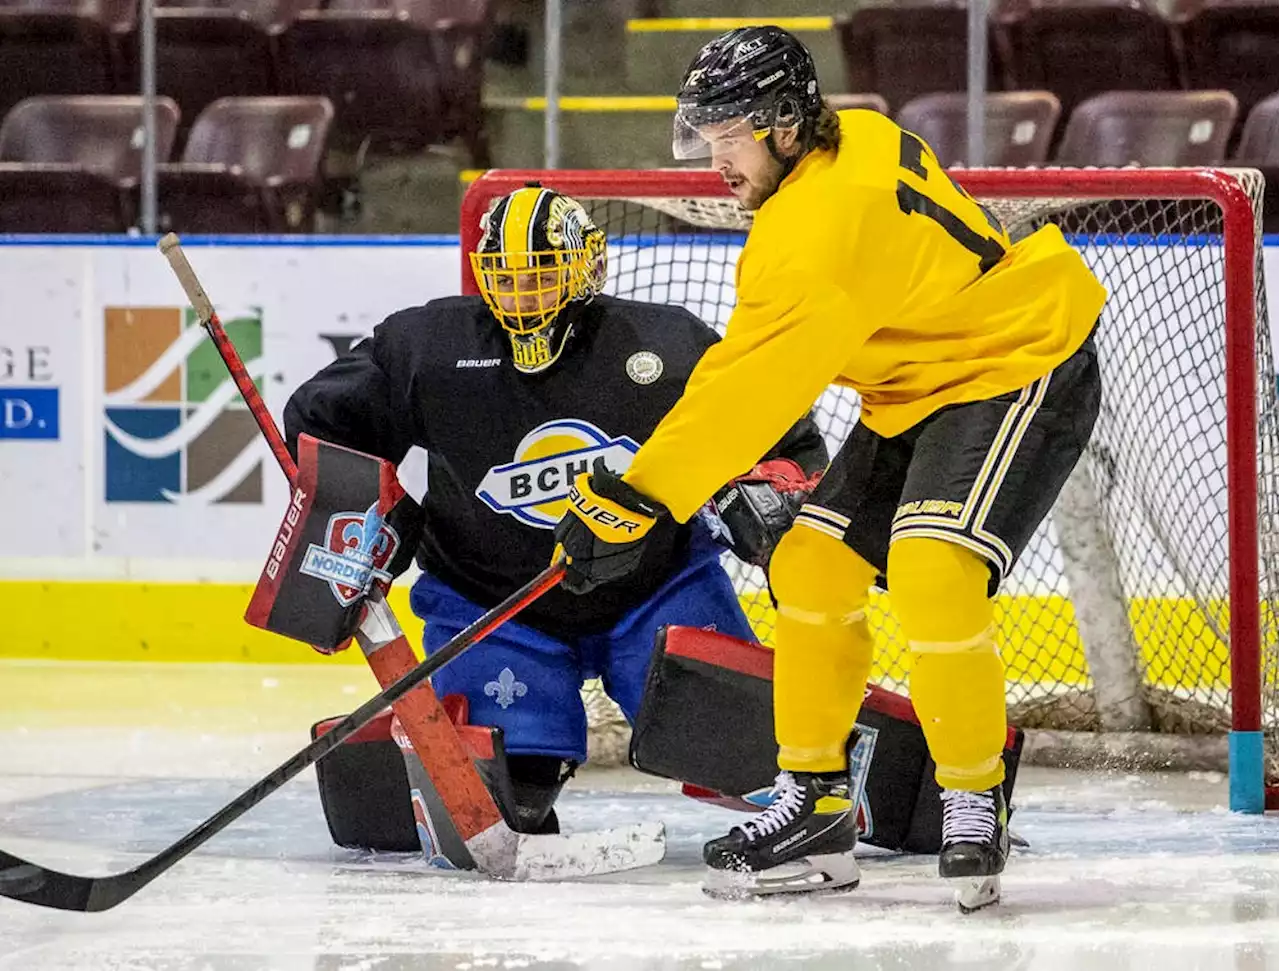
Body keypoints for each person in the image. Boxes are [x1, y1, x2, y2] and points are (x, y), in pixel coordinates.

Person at [552, 27, 1106, 909]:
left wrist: (636, 498)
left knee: (933, 571)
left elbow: (749, 392)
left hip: (1019, 358)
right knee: (809, 566)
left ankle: (970, 794)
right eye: (705, 137)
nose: (713, 161)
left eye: (727, 137)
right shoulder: (851, 138)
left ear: (780, 125)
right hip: (916, 385)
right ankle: (813, 803)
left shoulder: (814, 225)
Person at [284, 184, 827, 837]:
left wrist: (763, 489)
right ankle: (502, 765)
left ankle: (842, 785)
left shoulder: (667, 345)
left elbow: (776, 430)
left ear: (587, 268)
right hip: (493, 604)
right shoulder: (432, 349)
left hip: (656, 593)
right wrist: (363, 514)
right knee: (512, 795)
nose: (522, 297)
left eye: (542, 276)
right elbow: (320, 422)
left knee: (755, 760)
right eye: (505, 278)